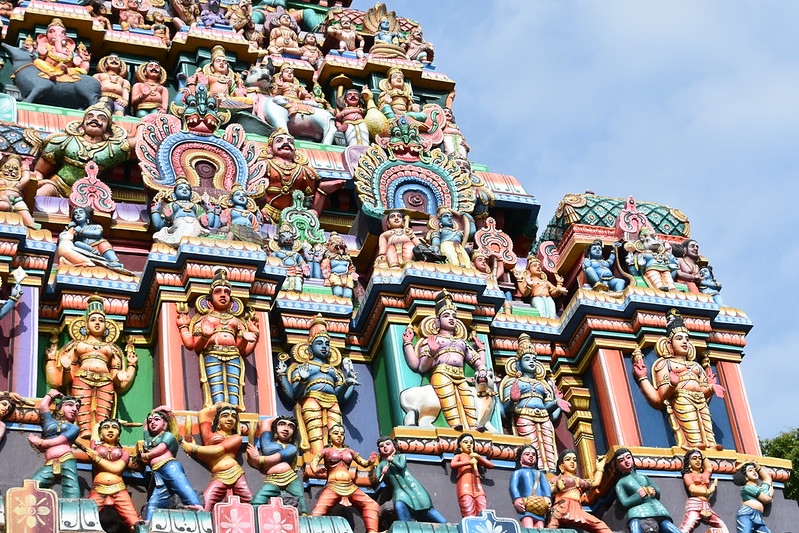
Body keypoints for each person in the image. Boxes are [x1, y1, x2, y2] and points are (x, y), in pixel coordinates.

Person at [45, 295, 137, 438]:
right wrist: (66, 368)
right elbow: (65, 380)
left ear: (106, 326)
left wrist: (125, 371)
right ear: (86, 325)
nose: (97, 323)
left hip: (105, 381)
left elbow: (117, 381)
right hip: (82, 378)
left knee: (103, 412)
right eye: (93, 320)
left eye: (101, 320)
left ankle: (100, 434)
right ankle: (83, 432)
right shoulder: (77, 346)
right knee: (81, 408)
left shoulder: (111, 349)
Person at [632, 309, 725, 450]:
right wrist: (672, 384)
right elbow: (661, 396)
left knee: (707, 429)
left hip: (700, 401)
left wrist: (711, 388)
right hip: (681, 399)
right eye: (679, 338)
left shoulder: (696, 366)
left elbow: (702, 390)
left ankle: (711, 446)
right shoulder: (665, 364)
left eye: (687, 339)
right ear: (669, 343)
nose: (685, 342)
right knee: (692, 430)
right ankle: (694, 446)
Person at [402, 290, 488, 430]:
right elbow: (421, 367)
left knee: (468, 398)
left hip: (460, 375)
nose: (451, 319)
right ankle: (455, 425)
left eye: (454, 316)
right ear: (437, 321)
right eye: (446, 316)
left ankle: (473, 427)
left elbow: (477, 362)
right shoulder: (432, 340)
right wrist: (431, 352)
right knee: (448, 398)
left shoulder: (462, 343)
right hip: (442, 373)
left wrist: (482, 356)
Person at [176, 268, 259, 409]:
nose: (223, 295)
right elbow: (192, 344)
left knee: (234, 384)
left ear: (231, 302)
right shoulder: (205, 319)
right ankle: (218, 409)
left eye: (226, 292)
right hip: (212, 353)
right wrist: (195, 331)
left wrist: (252, 336)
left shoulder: (236, 321)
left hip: (233, 355)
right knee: (216, 384)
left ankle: (234, 409)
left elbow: (243, 350)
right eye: (218, 292)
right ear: (209, 301)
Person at [275, 315, 357, 455]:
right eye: (319, 343)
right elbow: (294, 395)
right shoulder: (304, 367)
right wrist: (302, 380)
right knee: (315, 434)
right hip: (311, 400)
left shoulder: (334, 371)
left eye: (327, 344)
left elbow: (340, 397)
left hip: (333, 402)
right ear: (310, 349)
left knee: (336, 433)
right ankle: (316, 459)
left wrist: (348, 383)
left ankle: (336, 458)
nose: (324, 346)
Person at [35, 99, 131, 198]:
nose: (94, 120)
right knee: (43, 192)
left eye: (102, 118)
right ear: (82, 125)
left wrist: (141, 123)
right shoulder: (64, 141)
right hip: (58, 185)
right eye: (89, 117)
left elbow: (137, 144)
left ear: (108, 129)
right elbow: (39, 171)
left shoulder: (112, 149)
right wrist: (39, 181)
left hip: (88, 194)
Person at [499, 333, 566, 472]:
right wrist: (512, 400)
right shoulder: (513, 382)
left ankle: (551, 473)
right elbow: (505, 411)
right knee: (530, 446)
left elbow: (551, 412)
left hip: (544, 417)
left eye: (534, 359)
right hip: (524, 416)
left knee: (548, 447)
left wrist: (557, 402)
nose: (532, 362)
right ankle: (534, 471)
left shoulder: (543, 384)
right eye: (527, 359)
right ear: (518, 364)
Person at [182, 403, 252, 511]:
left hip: (235, 472)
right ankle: (203, 518)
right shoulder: (208, 435)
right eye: (225, 415)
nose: (230, 419)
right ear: (217, 419)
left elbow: (217, 450)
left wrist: (193, 448)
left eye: (234, 416)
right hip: (219, 475)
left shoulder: (236, 438)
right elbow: (203, 413)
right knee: (207, 499)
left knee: (248, 499)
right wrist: (222, 405)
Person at [310, 425, 379, 533]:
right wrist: (315, 470)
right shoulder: (326, 450)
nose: (339, 436)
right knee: (318, 512)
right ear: (329, 436)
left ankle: (373, 531)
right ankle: (310, 529)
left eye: (342, 434)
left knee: (372, 505)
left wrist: (370, 461)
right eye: (336, 433)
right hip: (333, 485)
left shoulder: (349, 451)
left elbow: (363, 463)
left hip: (350, 486)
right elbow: (314, 461)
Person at [137, 407, 202, 520]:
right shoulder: (149, 439)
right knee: (155, 500)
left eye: (157, 419)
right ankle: (149, 521)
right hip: (157, 473)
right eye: (150, 420)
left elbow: (161, 449)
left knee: (181, 486)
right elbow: (145, 424)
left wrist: (146, 456)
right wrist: (157, 409)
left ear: (165, 424)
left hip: (169, 467)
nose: (152, 422)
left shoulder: (168, 436)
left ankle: (197, 506)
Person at [83, 418, 141, 530]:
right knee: (86, 516)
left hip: (118, 489)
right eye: (106, 427)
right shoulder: (95, 448)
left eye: (114, 427)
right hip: (98, 489)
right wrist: (113, 421)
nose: (110, 430)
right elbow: (96, 427)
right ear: (100, 434)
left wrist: (97, 459)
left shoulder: (124, 453)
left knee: (134, 521)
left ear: (119, 435)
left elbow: (116, 469)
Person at [375, 436, 446, 523]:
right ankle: (406, 525)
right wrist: (383, 473)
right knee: (399, 505)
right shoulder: (381, 465)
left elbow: (401, 466)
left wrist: (392, 460)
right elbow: (377, 480)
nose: (385, 447)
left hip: (413, 487)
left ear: (394, 446)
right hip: (399, 492)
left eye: (388, 444)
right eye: (381, 446)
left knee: (425, 505)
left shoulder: (400, 456)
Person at [256, 129, 322, 222]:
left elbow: (307, 200)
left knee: (313, 213)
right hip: (266, 211)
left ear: (295, 150)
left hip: (292, 215)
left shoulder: (304, 171)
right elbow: (254, 191)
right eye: (279, 141)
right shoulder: (264, 166)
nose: (286, 143)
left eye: (290, 142)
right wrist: (259, 207)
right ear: (270, 149)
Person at [246, 416, 306, 514]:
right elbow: (265, 423)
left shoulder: (291, 448)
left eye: (290, 426)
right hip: (272, 479)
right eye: (282, 424)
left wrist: (258, 458)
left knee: (300, 499)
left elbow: (278, 457)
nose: (286, 429)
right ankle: (253, 517)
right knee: (258, 499)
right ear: (275, 428)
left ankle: (305, 517)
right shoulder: (268, 443)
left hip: (290, 478)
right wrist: (278, 417)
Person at [27, 390, 81, 498]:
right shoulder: (50, 423)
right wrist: (50, 394)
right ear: (60, 408)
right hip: (50, 463)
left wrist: (40, 442)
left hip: (66, 459)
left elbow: (60, 440)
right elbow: (43, 406)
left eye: (77, 407)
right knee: (33, 485)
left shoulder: (74, 428)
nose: (75, 409)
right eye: (70, 405)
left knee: (71, 489)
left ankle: (73, 506)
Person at [614, 448, 681, 533]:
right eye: (621, 460)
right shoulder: (621, 483)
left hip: (657, 509)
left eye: (628, 457)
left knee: (668, 527)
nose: (626, 461)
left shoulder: (642, 476)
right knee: (635, 527)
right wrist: (638, 496)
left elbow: (656, 489)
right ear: (617, 466)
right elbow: (625, 502)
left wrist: (654, 490)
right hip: (638, 512)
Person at [547, 450, 610, 532]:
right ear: (561, 466)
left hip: (578, 509)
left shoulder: (579, 481)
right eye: (568, 459)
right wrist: (557, 488)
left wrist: (599, 468)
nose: (572, 462)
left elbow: (595, 483)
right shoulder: (557, 478)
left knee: (600, 525)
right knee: (551, 527)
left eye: (574, 460)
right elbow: (547, 491)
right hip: (561, 507)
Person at [57, 205, 127, 272]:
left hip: (98, 246)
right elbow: (61, 241)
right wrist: (68, 228)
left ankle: (113, 261)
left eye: (81, 212)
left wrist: (81, 231)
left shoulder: (96, 226)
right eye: (75, 213)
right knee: (77, 243)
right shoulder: (74, 231)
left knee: (104, 245)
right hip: (84, 250)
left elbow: (97, 233)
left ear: (87, 216)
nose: (78, 214)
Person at [678, 449, 728, 533]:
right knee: (687, 527)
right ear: (689, 462)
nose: (698, 460)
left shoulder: (704, 475)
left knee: (723, 527)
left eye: (699, 458)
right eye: (694, 458)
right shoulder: (688, 475)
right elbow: (693, 489)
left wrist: (702, 455)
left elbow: (709, 468)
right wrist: (709, 490)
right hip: (695, 503)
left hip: (706, 505)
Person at [150, 178, 210, 246]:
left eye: (187, 189)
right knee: (180, 238)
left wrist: (204, 217)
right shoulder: (172, 205)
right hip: (179, 225)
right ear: (174, 195)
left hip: (195, 225)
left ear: (191, 195)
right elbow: (159, 226)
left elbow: (207, 221)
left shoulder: (196, 206)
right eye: (180, 188)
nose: (184, 190)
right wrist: (167, 218)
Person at [450, 433, 494, 517]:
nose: (469, 444)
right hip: (465, 486)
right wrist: (469, 462)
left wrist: (479, 457)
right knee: (468, 507)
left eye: (471, 442)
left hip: (477, 486)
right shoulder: (459, 456)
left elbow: (491, 465)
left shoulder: (475, 457)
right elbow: (453, 464)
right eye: (465, 442)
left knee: (482, 506)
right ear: (460, 445)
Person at [508, 445, 551, 528]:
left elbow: (546, 487)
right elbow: (513, 487)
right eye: (527, 454)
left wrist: (548, 498)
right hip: (526, 505)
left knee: (540, 525)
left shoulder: (540, 474)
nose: (531, 456)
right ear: (520, 458)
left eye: (533, 454)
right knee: (528, 523)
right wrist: (516, 499)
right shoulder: (518, 473)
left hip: (540, 505)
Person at [733, 461, 773, 533]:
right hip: (747, 513)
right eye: (750, 470)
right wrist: (770, 495)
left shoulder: (760, 489)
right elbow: (766, 499)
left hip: (758, 515)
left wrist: (758, 467)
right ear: (746, 476)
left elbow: (767, 479)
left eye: (754, 470)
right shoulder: (747, 487)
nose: (754, 472)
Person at [0, 155, 37, 228]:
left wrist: (25, 166)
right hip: (2, 198)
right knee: (4, 205)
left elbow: (26, 178)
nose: (10, 170)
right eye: (7, 167)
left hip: (17, 200)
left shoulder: (18, 183)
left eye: (15, 168)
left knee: (29, 223)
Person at [321, 232, 357, 299]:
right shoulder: (329, 259)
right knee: (338, 292)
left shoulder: (347, 259)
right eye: (333, 244)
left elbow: (351, 268)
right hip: (335, 275)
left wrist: (353, 274)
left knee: (348, 294)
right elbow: (325, 268)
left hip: (347, 276)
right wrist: (326, 278)